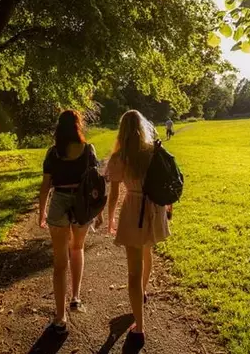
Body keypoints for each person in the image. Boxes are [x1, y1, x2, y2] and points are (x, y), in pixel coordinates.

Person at [106, 110, 171, 351]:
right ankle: (142, 293)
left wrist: (110, 218)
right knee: (147, 252)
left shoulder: (119, 157)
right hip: (155, 208)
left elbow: (113, 194)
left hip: (134, 210)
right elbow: (164, 181)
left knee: (133, 271)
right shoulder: (153, 151)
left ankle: (140, 329)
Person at [38, 110, 98, 335]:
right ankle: (76, 297)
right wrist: (98, 211)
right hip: (82, 204)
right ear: (77, 126)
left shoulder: (53, 153)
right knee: (78, 248)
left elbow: (46, 187)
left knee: (59, 261)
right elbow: (95, 183)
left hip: (59, 202)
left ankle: (60, 317)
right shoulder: (88, 150)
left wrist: (41, 212)